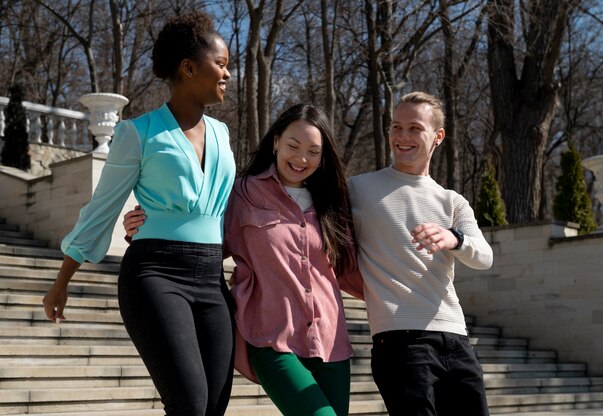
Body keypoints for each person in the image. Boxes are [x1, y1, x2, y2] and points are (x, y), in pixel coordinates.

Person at [42, 11, 236, 416]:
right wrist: (62, 281)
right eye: (220, 64)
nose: (227, 74)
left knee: (215, 407)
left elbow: (226, 209)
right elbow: (101, 208)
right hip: (156, 275)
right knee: (190, 404)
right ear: (187, 67)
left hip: (213, 279)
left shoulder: (222, 134)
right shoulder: (138, 132)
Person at [123, 104, 363, 416]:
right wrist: (146, 227)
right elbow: (202, 236)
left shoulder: (333, 202)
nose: (301, 159)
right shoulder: (243, 193)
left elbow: (349, 272)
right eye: (293, 145)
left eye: (313, 151)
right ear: (276, 141)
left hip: (331, 342)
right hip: (271, 338)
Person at [348, 91, 494, 416]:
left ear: (437, 136)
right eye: (396, 127)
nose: (402, 137)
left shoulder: (452, 201)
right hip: (400, 343)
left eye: (414, 128)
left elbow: (484, 256)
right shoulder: (358, 189)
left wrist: (453, 238)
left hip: (457, 339)